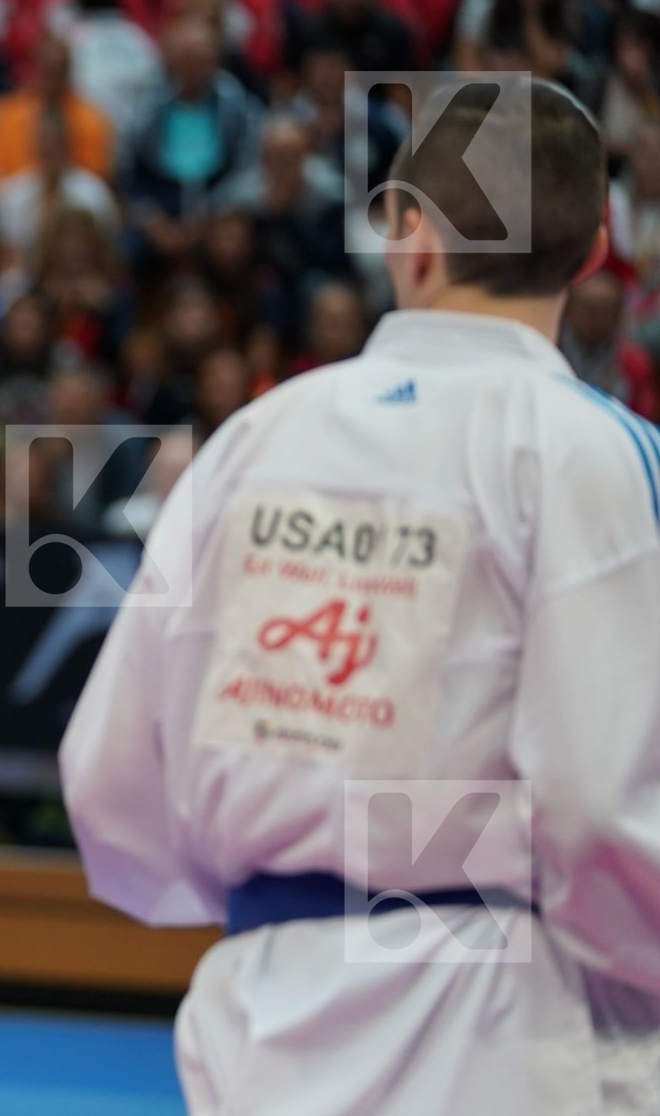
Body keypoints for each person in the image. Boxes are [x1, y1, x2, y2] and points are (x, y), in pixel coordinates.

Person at [61, 78, 660, 1115]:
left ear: (408, 238)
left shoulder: (252, 440)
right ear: (595, 250)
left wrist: (288, 881)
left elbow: (111, 779)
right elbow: (604, 806)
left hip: (260, 1008)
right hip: (510, 1016)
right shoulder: (597, 453)